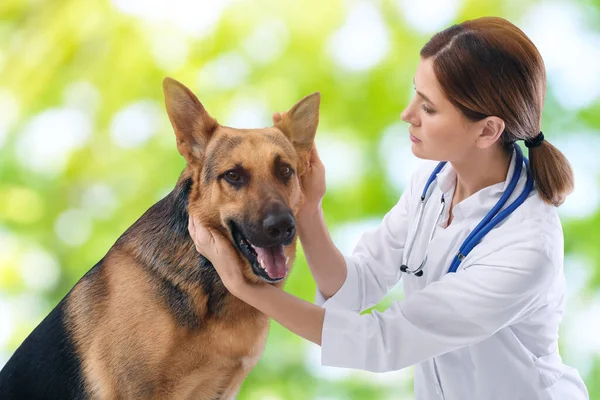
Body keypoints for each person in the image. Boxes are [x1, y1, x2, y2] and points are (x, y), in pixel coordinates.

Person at [188, 16, 589, 399]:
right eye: (415, 92)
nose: (407, 114)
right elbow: (354, 287)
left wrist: (242, 286)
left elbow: (382, 342)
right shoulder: (432, 185)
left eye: (428, 108)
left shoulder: (526, 247)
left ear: (488, 130)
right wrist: (309, 211)